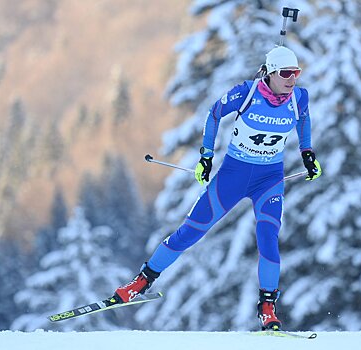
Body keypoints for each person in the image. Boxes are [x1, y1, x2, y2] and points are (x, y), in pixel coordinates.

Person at [110, 46, 322, 331]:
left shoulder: (299, 97)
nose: (292, 78)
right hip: (233, 175)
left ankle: (267, 307)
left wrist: (308, 154)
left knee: (268, 238)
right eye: (286, 73)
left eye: (296, 72)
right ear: (270, 73)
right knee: (191, 231)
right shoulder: (246, 93)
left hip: (269, 179)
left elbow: (304, 119)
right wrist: (206, 156)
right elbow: (213, 114)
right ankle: (142, 281)